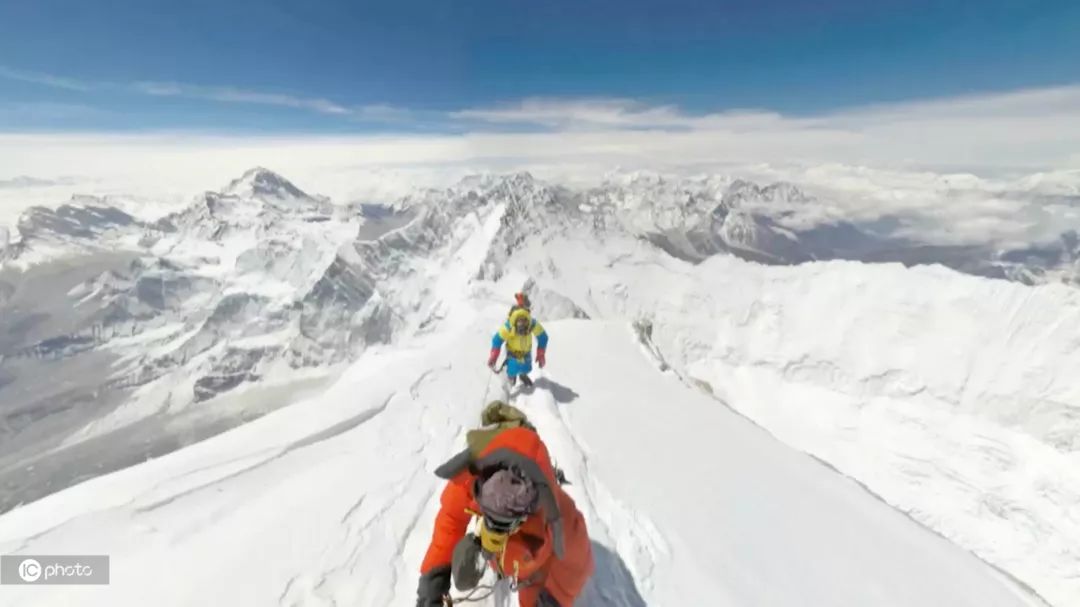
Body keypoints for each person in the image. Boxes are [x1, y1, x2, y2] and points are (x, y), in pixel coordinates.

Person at [416, 402, 593, 607]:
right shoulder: (469, 479)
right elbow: (451, 519)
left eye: (505, 525)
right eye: (488, 517)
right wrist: (433, 582)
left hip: (532, 569)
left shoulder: (561, 518)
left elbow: (576, 566)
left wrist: (551, 599)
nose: (494, 529)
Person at [489, 303, 547, 387]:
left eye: (524, 321)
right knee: (512, 370)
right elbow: (497, 340)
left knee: (526, 368)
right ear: (515, 321)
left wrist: (541, 354)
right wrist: (494, 356)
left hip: (526, 353)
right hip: (512, 354)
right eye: (519, 322)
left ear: (527, 321)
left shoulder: (532, 324)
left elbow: (543, 337)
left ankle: (522, 375)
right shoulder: (509, 326)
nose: (522, 326)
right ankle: (511, 378)